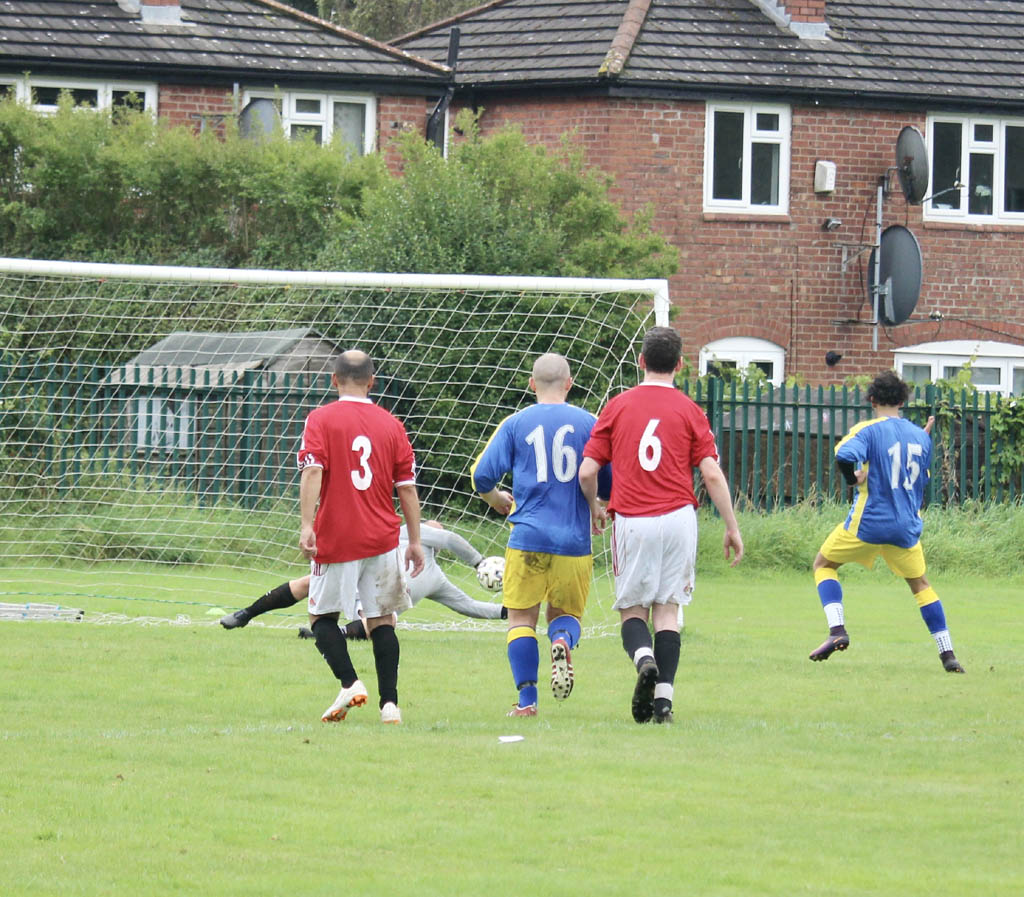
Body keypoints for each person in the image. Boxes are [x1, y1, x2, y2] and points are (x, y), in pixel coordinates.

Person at [579, 326, 743, 725]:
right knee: (668, 612)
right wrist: (731, 526)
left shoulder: (618, 406)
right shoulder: (690, 410)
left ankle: (643, 659)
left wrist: (594, 505)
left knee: (632, 610)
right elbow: (712, 474)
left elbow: (587, 471)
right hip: (678, 519)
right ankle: (663, 705)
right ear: (681, 365)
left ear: (641, 361)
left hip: (634, 519)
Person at [471, 353, 610, 717]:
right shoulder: (590, 424)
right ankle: (561, 640)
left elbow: (481, 475)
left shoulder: (516, 423)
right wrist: (597, 506)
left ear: (532, 384)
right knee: (566, 615)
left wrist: (495, 498)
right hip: (573, 542)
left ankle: (527, 702)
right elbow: (609, 481)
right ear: (569, 383)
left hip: (528, 539)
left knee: (521, 621)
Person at [297, 349, 424, 726]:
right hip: (382, 538)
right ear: (372, 382)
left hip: (337, 536)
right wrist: (415, 541)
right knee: (382, 619)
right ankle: (390, 706)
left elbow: (313, 471)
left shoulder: (320, 419)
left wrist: (306, 525)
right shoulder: (392, 425)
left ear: (334, 380)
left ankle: (350, 683)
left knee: (321, 616)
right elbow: (407, 487)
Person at [807, 370, 964, 673]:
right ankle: (948, 654)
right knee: (921, 585)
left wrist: (852, 478)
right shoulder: (920, 436)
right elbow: (918, 476)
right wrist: (922, 437)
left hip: (869, 523)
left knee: (823, 565)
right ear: (903, 401)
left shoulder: (867, 430)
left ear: (872, 400)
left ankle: (837, 630)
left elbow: (844, 455)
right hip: (905, 526)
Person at [219, 520, 506, 633]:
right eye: (429, 524)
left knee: (386, 622)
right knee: (310, 582)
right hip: (361, 577)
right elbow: (451, 538)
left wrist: (508, 611)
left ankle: (334, 634)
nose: (432, 526)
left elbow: (468, 606)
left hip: (378, 606)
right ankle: (246, 613)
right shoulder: (405, 532)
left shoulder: (437, 580)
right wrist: (478, 562)